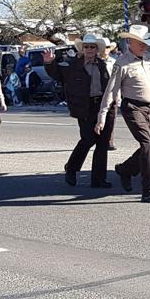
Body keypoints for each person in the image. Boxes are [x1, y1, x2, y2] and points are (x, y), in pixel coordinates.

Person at [96, 25, 150, 203]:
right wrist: (102, 115)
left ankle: (125, 169)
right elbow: (111, 90)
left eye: (145, 42)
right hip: (133, 107)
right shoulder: (122, 63)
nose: (144, 45)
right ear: (131, 42)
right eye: (140, 42)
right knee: (147, 144)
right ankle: (149, 190)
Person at [45, 34, 115, 188]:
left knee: (103, 142)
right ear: (82, 49)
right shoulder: (73, 66)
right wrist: (49, 62)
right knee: (88, 139)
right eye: (86, 47)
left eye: (92, 47)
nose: (89, 49)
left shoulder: (102, 64)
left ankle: (98, 179)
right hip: (84, 106)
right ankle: (71, 167)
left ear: (97, 49)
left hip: (104, 105)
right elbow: (57, 74)